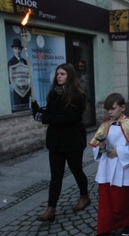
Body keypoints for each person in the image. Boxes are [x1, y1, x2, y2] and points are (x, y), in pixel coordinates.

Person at [31, 63, 90, 222]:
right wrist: (38, 111)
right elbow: (51, 114)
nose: (58, 76)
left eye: (62, 74)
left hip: (73, 140)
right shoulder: (53, 94)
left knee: (76, 169)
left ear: (69, 76)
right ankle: (51, 209)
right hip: (56, 141)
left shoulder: (79, 95)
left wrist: (44, 118)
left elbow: (68, 118)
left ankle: (84, 196)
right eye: (57, 73)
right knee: (56, 175)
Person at [88, 93, 129, 236]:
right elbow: (98, 147)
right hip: (107, 169)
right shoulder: (105, 124)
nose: (110, 112)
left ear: (122, 108)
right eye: (108, 109)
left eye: (112, 109)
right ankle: (104, 230)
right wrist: (101, 148)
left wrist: (119, 152)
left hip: (124, 169)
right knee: (106, 201)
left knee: (125, 200)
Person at [8, 38, 31, 111]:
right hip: (17, 90)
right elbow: (10, 78)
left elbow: (27, 75)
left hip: (26, 90)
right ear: (13, 49)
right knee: (19, 109)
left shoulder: (24, 61)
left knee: (27, 108)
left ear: (21, 50)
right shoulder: (11, 62)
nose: (18, 51)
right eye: (16, 49)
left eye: (19, 49)